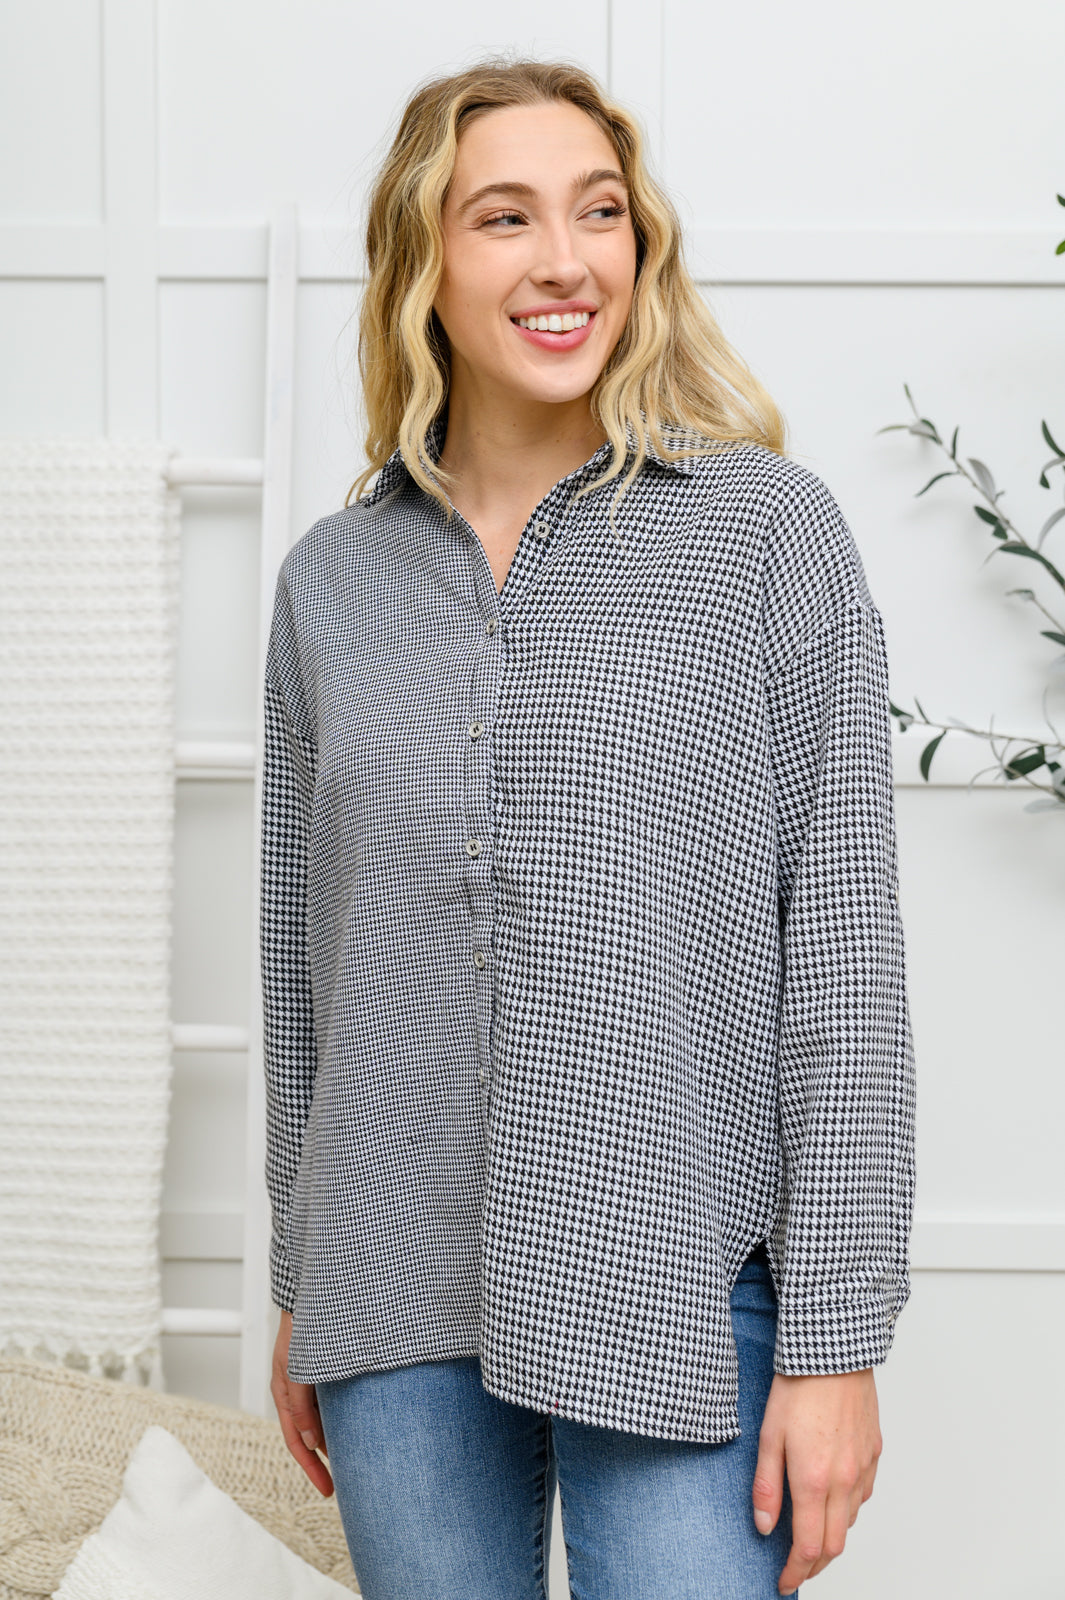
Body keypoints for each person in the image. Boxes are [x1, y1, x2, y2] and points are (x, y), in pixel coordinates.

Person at [260, 54, 916, 1600]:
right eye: (504, 218)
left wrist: (833, 1341)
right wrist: (305, 1279)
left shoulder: (765, 531)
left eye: (599, 212)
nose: (565, 261)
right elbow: (303, 965)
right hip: (391, 1295)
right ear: (422, 264)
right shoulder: (329, 583)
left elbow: (840, 952)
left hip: (681, 1273)